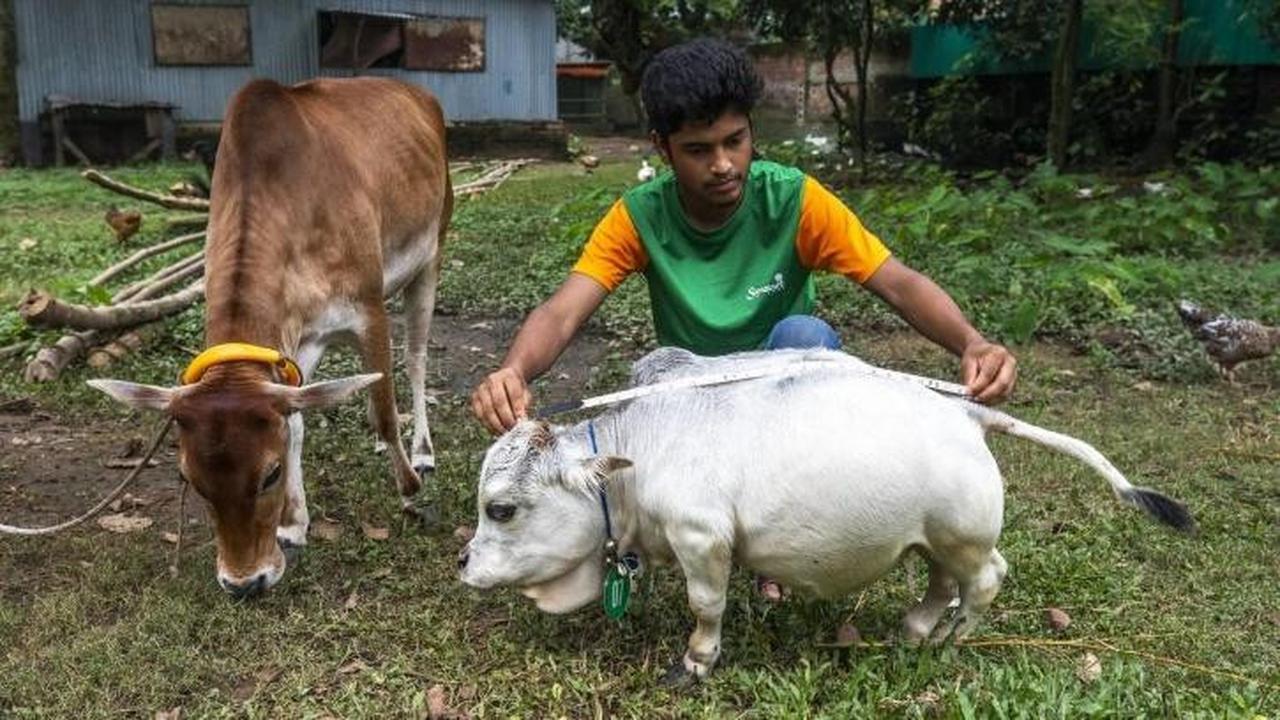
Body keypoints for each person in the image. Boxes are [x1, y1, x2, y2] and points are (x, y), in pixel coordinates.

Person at [470, 38, 1016, 438]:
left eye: (735, 140)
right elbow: (563, 312)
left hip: (784, 391)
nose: (724, 165)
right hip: (693, 393)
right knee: (652, 376)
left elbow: (897, 282)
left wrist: (973, 343)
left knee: (806, 334)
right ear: (662, 148)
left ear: (752, 130)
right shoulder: (640, 216)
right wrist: (513, 371)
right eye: (698, 149)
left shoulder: (794, 200)